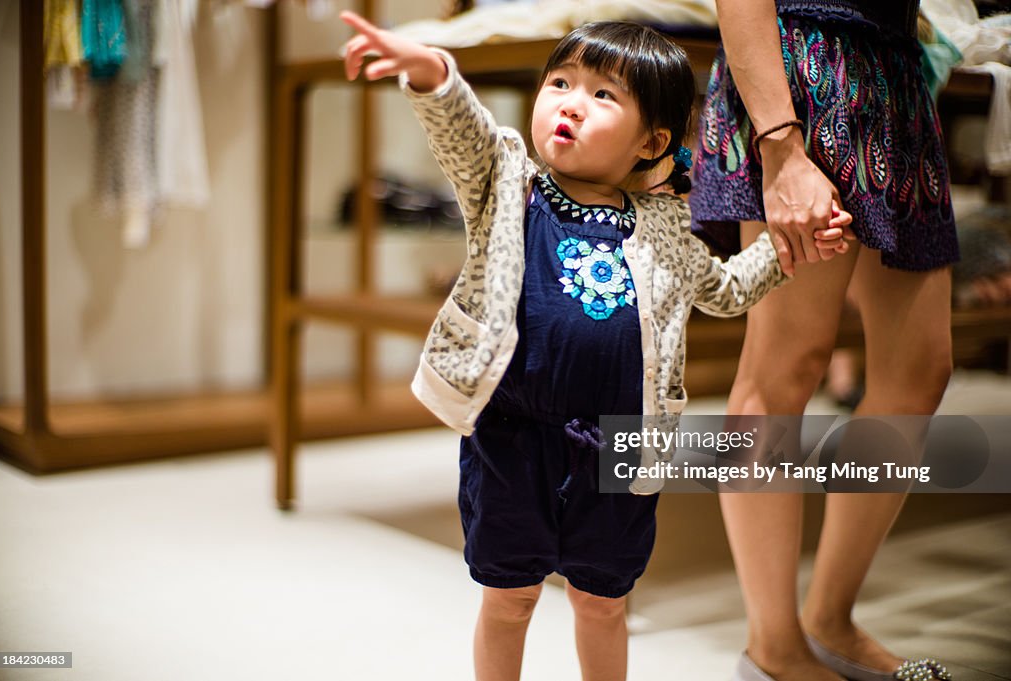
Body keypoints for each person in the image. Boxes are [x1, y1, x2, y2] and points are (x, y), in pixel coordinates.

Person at [342, 11, 850, 681]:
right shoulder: (506, 183)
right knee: (510, 595)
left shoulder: (665, 226)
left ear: (652, 141)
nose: (570, 104)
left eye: (603, 95)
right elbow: (462, 130)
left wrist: (786, 250)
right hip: (512, 433)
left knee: (604, 601)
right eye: (560, 82)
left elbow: (723, 290)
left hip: (621, 443)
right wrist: (431, 70)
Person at [689, 2, 958, 681]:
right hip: (799, 75)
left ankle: (830, 618)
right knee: (787, 361)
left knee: (920, 369)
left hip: (894, 77)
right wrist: (780, 144)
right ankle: (773, 646)